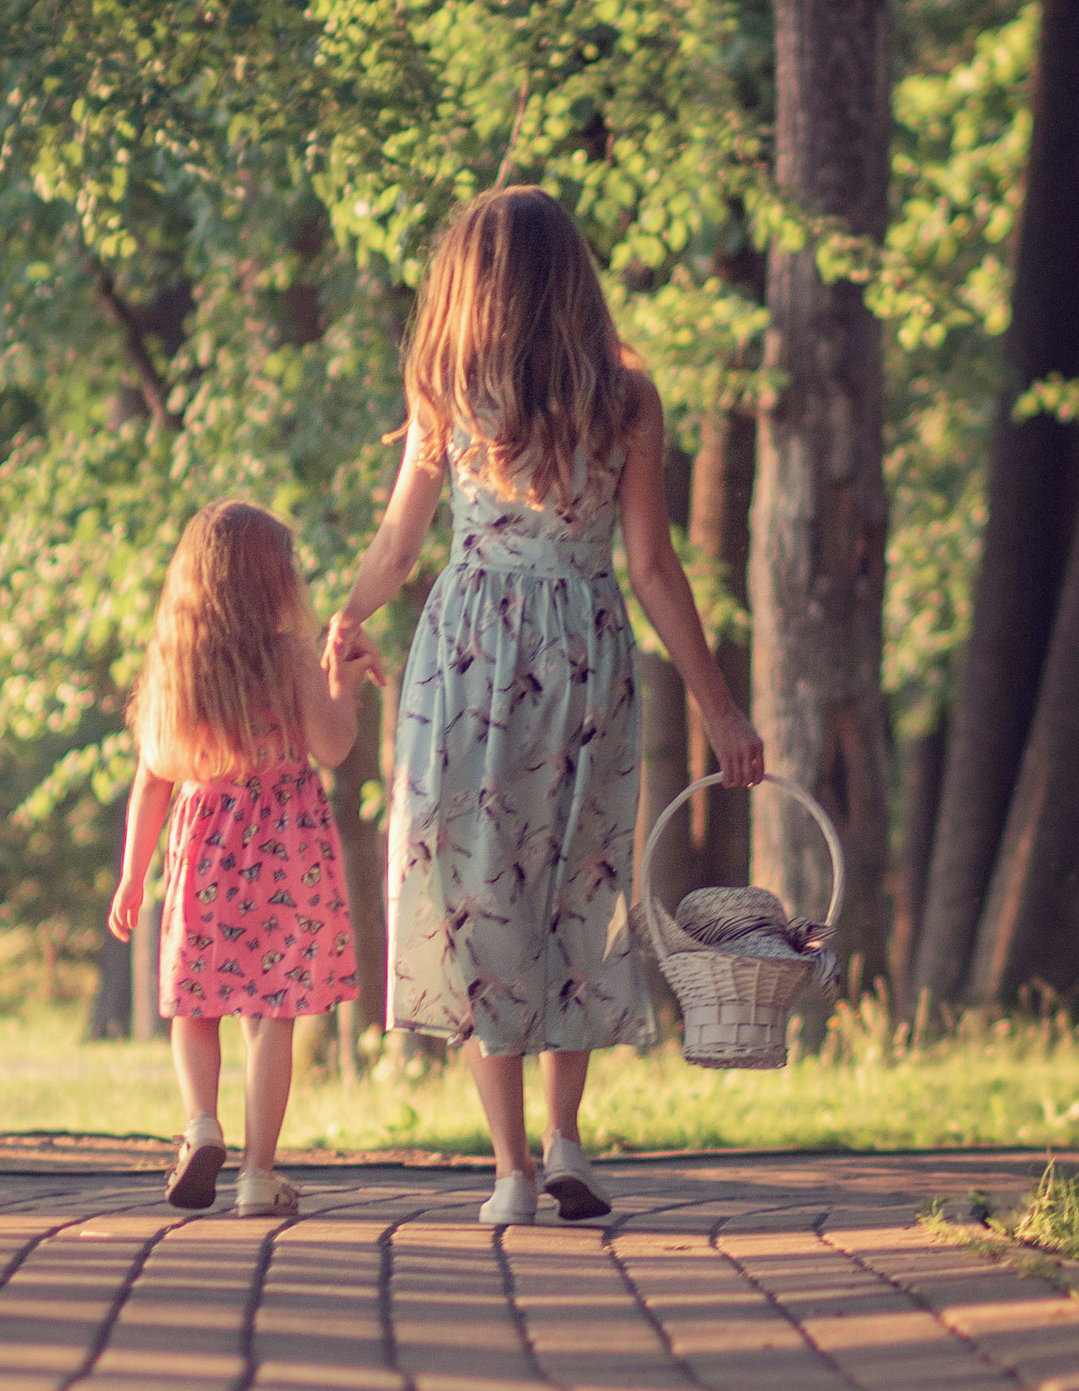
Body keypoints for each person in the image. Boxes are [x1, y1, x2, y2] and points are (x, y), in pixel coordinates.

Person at [326, 187, 762, 1228]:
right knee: (580, 879)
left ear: (473, 281)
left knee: (481, 893)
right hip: (585, 656)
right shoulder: (627, 399)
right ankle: (568, 1139)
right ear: (574, 277)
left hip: (470, 660)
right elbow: (653, 567)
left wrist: (341, 619)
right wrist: (719, 708)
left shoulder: (448, 389)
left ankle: (512, 1171)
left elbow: (397, 546)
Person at [111, 500, 363, 1218]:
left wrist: (133, 874)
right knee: (272, 1013)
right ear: (269, 582)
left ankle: (200, 1125)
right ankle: (257, 1174)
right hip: (286, 850)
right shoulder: (287, 657)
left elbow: (153, 774)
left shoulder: (175, 666)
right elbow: (334, 743)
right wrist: (342, 683)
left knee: (195, 1004)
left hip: (206, 851)